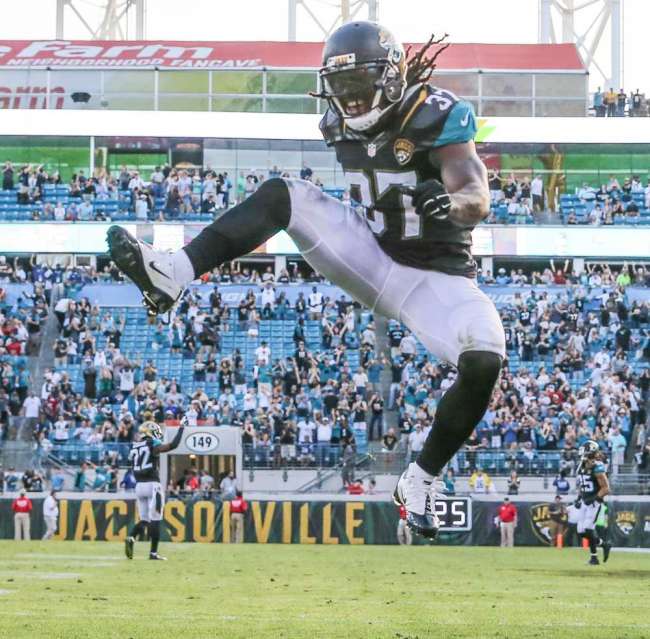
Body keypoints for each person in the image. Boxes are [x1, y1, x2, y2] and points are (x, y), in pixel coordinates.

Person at [107, 21, 504, 541]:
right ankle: (172, 272)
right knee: (283, 194)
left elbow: (476, 193)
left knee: (485, 355)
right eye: (341, 88)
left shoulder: (437, 113)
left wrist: (451, 203)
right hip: (368, 252)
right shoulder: (335, 123)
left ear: (390, 77)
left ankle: (421, 479)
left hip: (435, 278)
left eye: (360, 85)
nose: (352, 98)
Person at [125, 418, 185, 561]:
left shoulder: (134, 446)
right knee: (155, 518)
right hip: (153, 485)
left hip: (139, 486)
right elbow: (173, 445)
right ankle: (153, 553)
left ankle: (131, 537)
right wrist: (182, 428)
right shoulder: (153, 444)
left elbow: (131, 461)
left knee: (144, 519)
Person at [575, 440, 612, 565]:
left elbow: (606, 488)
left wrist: (595, 500)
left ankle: (594, 557)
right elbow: (582, 485)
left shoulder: (598, 467)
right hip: (585, 501)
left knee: (587, 529)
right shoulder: (581, 465)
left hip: (594, 502)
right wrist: (579, 497)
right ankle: (604, 544)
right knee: (581, 531)